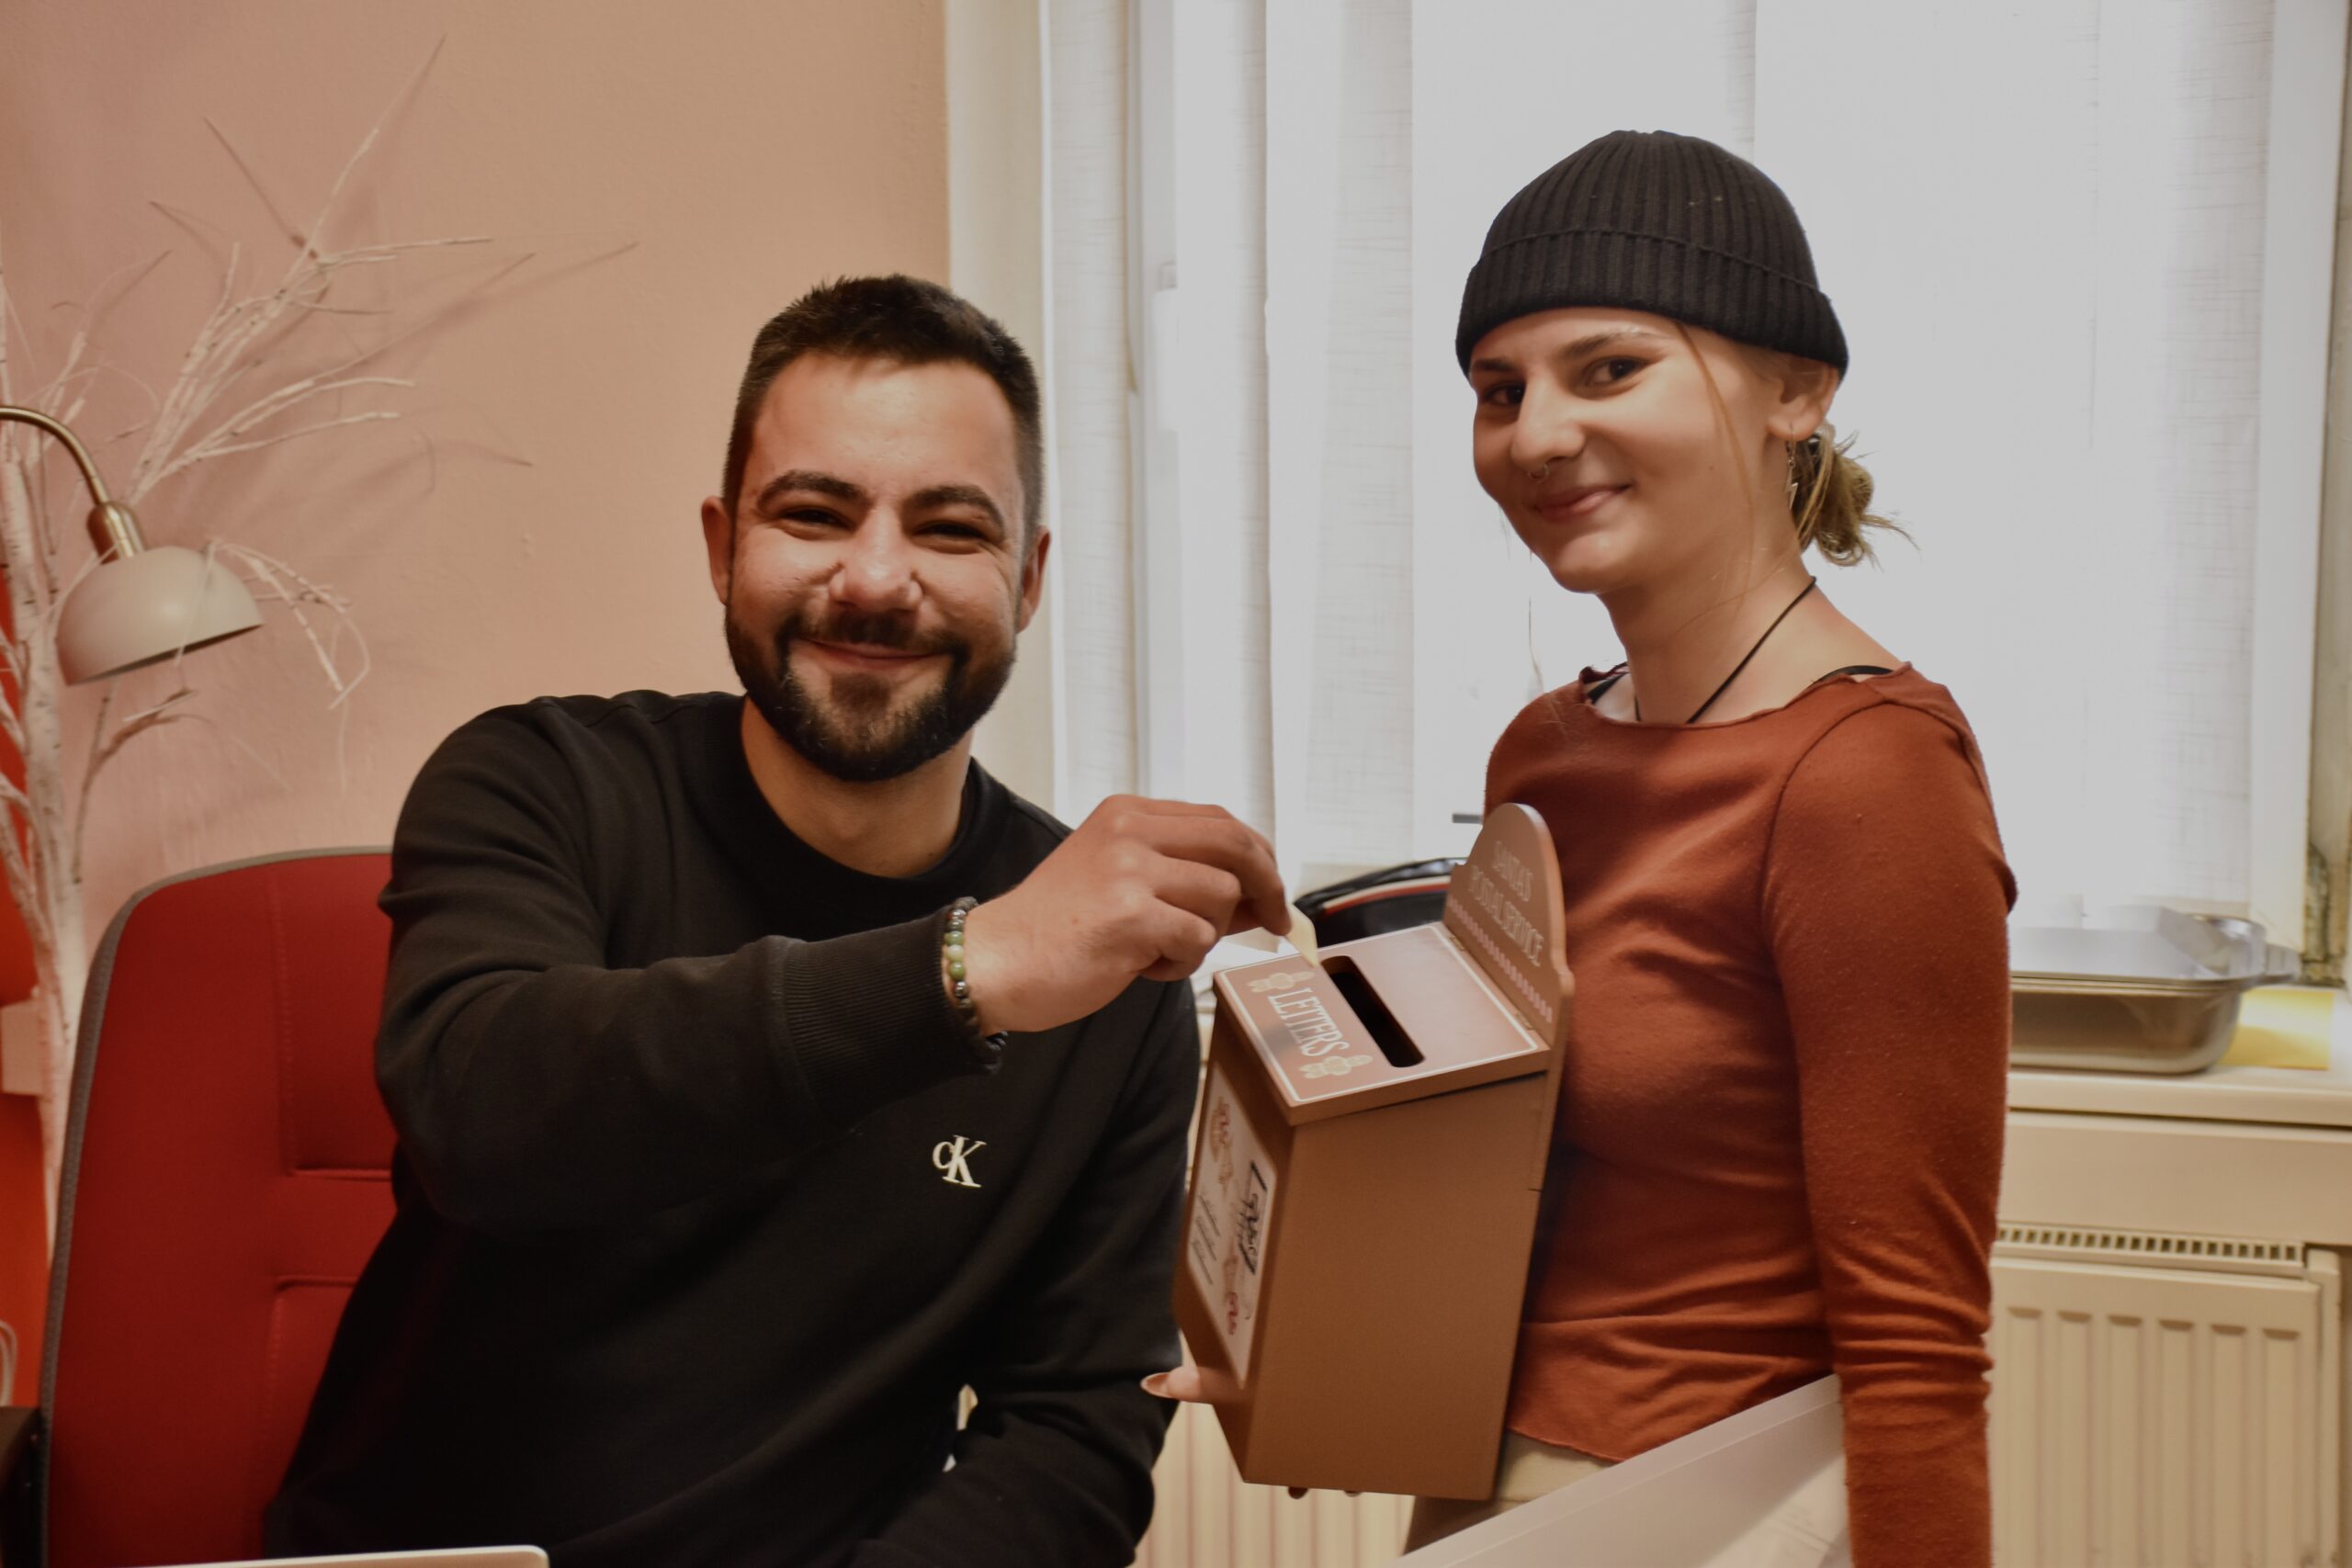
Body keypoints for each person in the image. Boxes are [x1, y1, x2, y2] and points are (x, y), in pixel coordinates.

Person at [267, 275, 1291, 1567]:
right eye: (815, 514)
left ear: (1029, 579)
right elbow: (481, 1111)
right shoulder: (541, 783)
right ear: (722, 548)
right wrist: (969, 968)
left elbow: (1074, 1435)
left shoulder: (1107, 974)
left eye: (950, 529)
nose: (876, 580)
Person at [1156, 130, 2014, 1566]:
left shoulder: (1866, 780)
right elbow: (1507, 1173)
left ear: (1795, 390)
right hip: (1489, 1481)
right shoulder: (1545, 752)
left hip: (1711, 1507)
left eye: (1609, 369)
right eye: (1500, 390)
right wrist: (1311, 1344)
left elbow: (1917, 1341)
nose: (1537, 434)